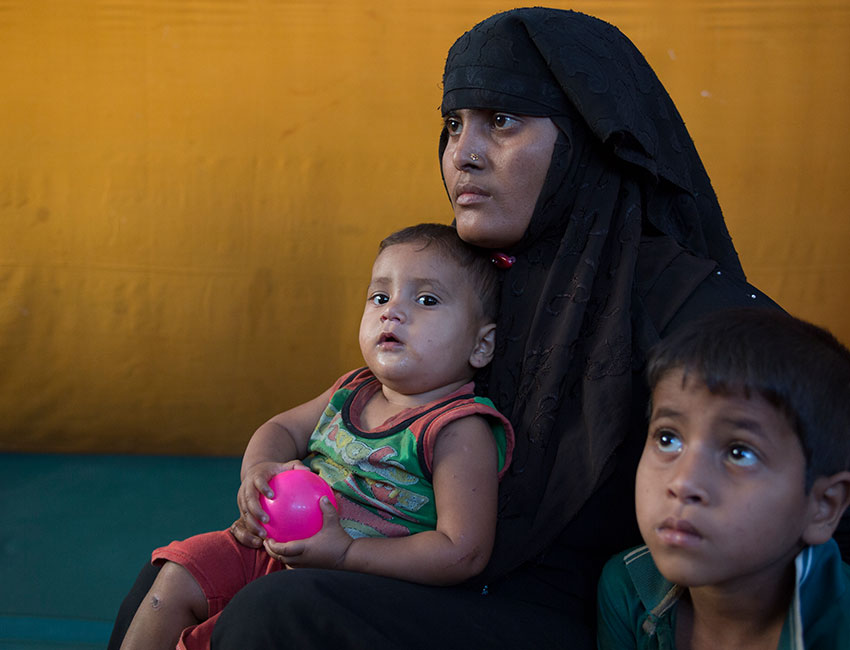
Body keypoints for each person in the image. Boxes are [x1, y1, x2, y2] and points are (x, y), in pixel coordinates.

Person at [109, 8, 795, 649]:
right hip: (428, 574)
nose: (463, 152)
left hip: (562, 613)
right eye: (453, 122)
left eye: (501, 119)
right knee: (172, 578)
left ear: (587, 141)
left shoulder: (681, 302)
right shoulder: (473, 279)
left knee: (277, 613)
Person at [117, 223, 514, 650]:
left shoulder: (457, 428)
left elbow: (462, 551)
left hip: (350, 582)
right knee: (173, 580)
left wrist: (346, 553)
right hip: (272, 550)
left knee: (227, 632)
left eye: (427, 299)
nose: (392, 312)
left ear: (482, 345)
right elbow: (282, 428)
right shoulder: (351, 391)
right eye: (380, 296)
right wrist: (258, 472)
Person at [597, 307, 850, 649]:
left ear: (823, 506)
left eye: (739, 453)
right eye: (667, 438)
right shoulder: (630, 587)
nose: (683, 483)